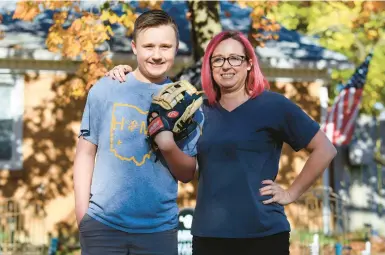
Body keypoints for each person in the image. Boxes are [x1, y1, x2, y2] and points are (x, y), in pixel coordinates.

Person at [106, 30, 337, 255]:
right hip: (209, 236)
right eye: (218, 60)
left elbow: (324, 149)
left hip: (264, 235)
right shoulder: (197, 110)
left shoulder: (274, 106)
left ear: (248, 64)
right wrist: (127, 75)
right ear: (210, 67)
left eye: (234, 58)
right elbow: (186, 168)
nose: (226, 66)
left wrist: (291, 193)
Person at [73, 10, 202, 255]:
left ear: (176, 49)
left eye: (165, 46)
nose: (156, 55)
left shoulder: (186, 103)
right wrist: (83, 216)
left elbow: (187, 173)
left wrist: (168, 146)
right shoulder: (107, 89)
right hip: (102, 226)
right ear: (134, 47)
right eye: (148, 46)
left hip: (159, 231)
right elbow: (85, 154)